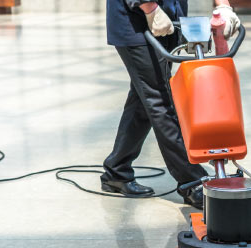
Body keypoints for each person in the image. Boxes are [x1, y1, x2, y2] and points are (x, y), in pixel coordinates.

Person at [103, 0, 240, 209]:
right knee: (161, 102)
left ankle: (116, 170)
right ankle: (192, 181)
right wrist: (150, 8)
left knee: (144, 99)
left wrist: (224, 7)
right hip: (137, 23)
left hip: (167, 21)